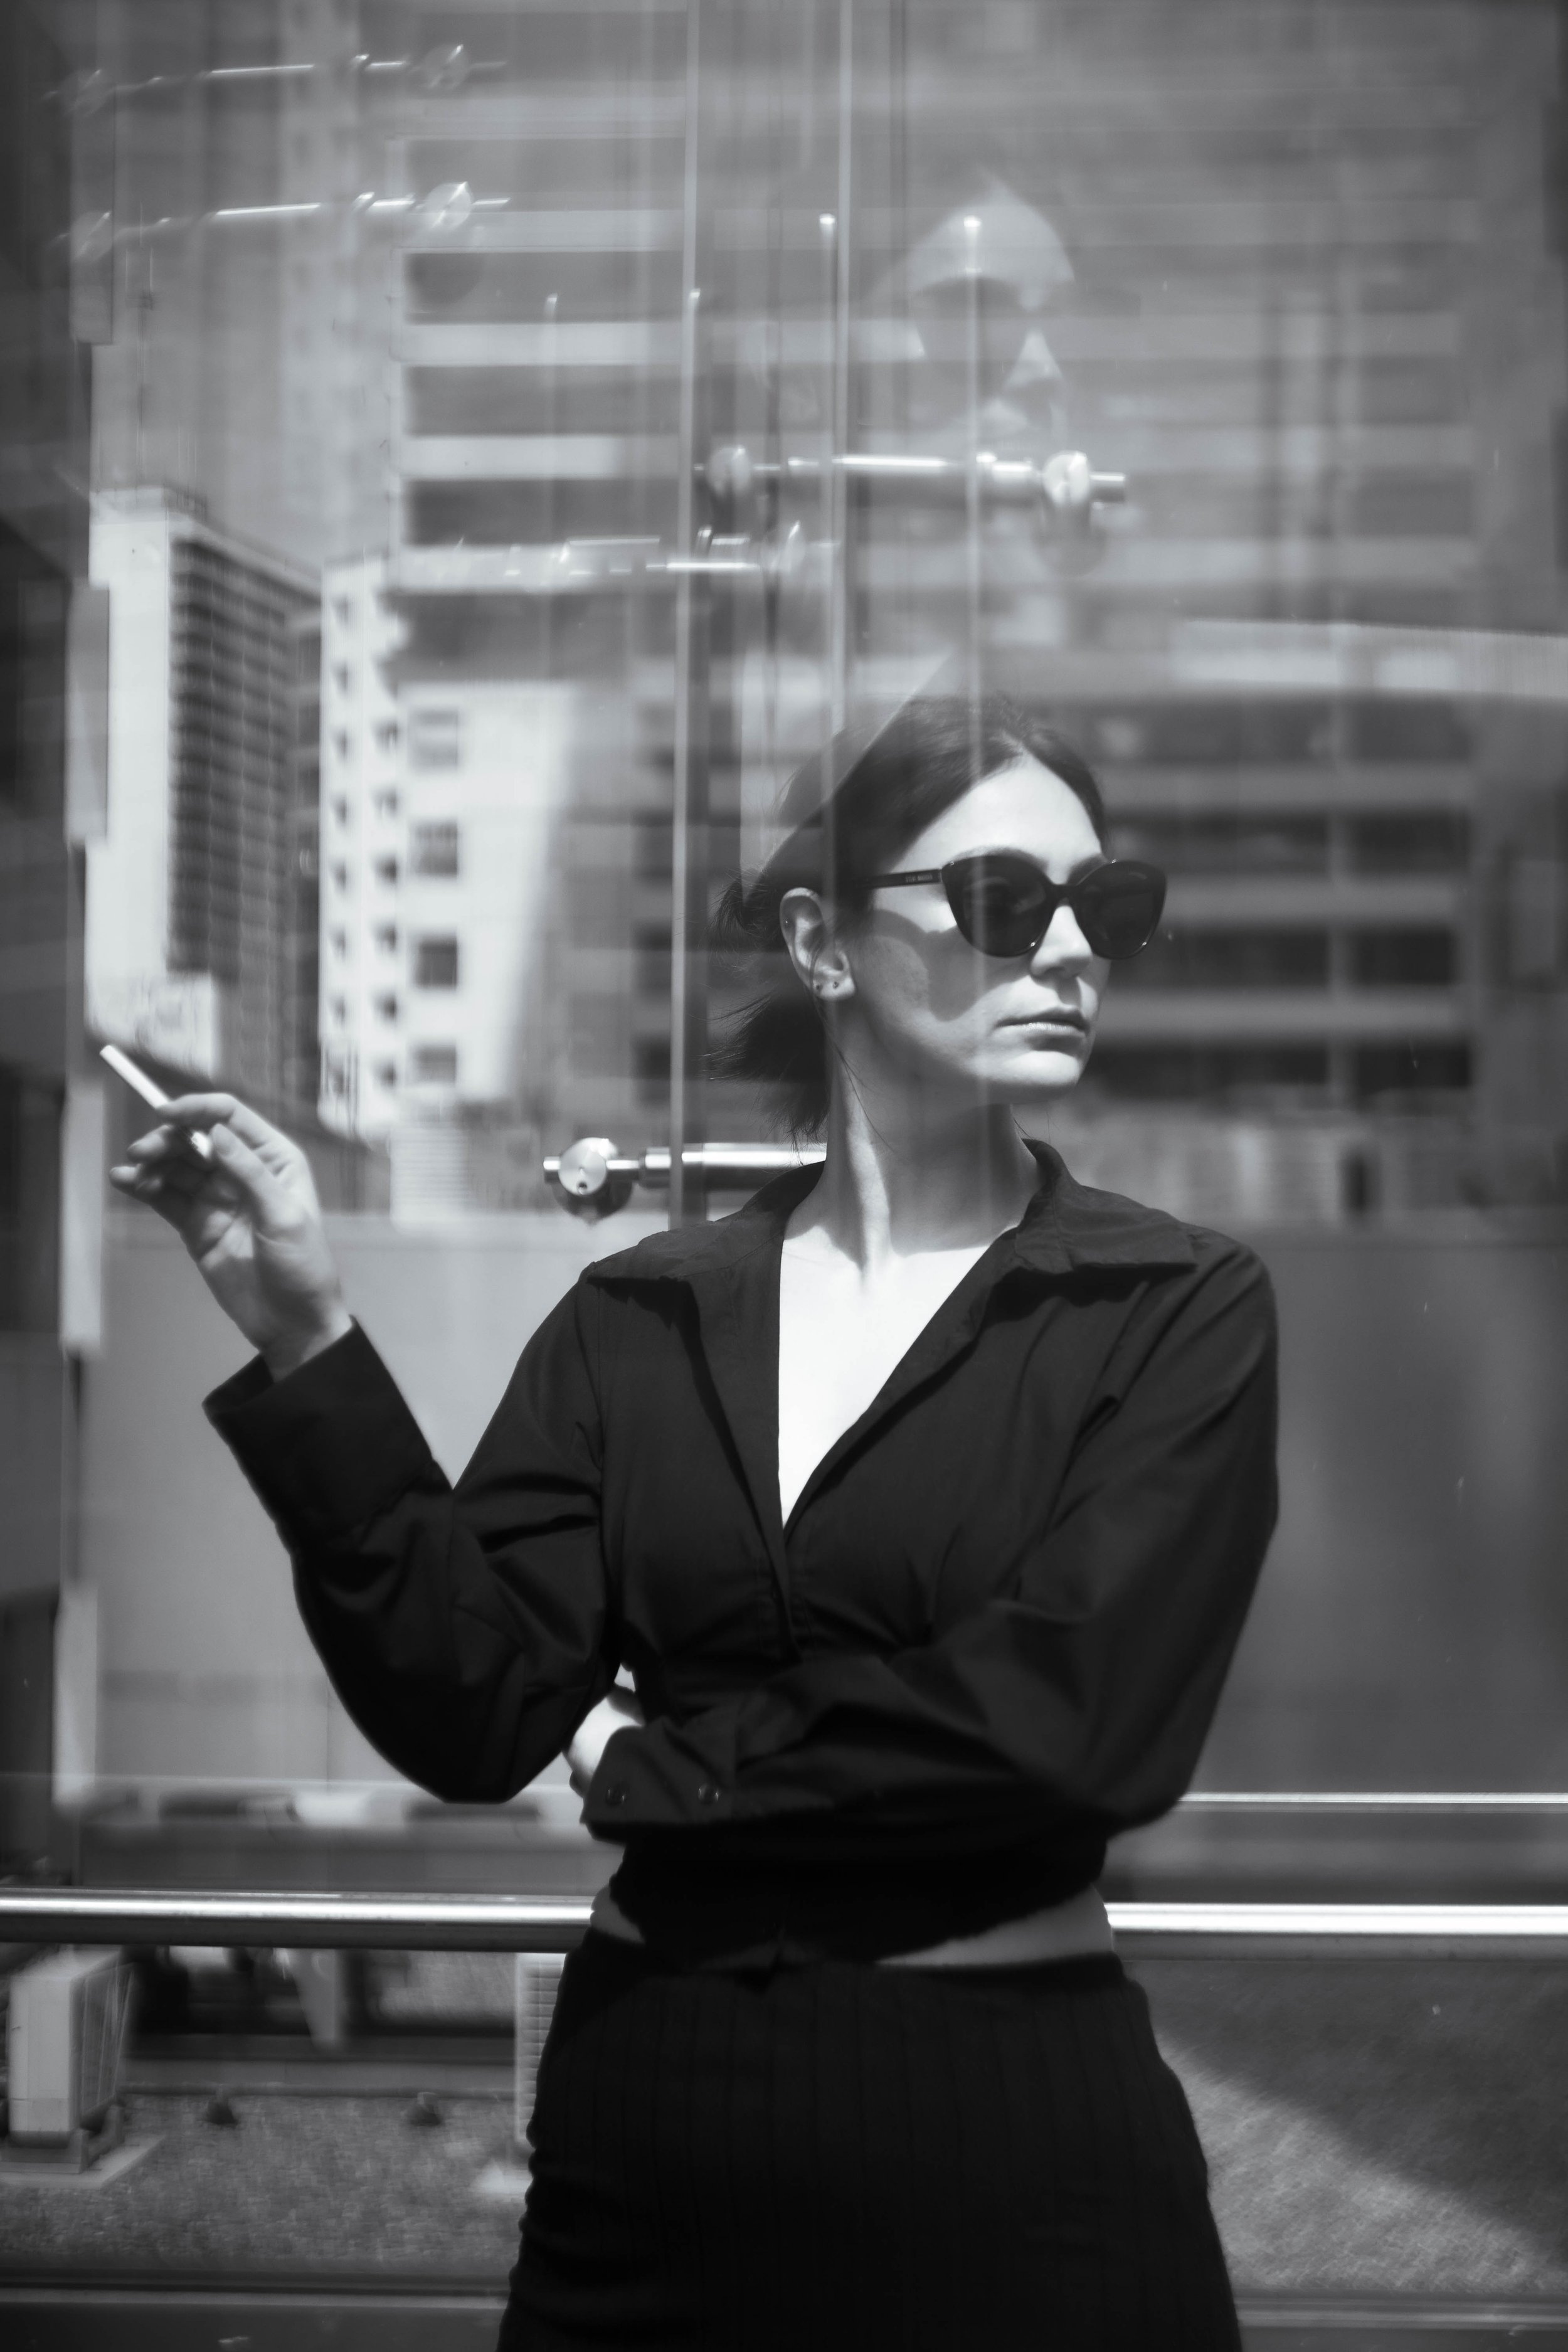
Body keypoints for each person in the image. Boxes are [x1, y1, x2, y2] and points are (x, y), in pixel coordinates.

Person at [112, 693, 1277, 2350]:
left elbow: (1072, 1724)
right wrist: (308, 1341)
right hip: (645, 2147)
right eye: (1007, 901)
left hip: (1016, 2144)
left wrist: (659, 1765)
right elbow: (472, 1705)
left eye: (1110, 903)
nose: (1076, 949)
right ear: (820, 941)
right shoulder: (641, 1315)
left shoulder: (1169, 1305)